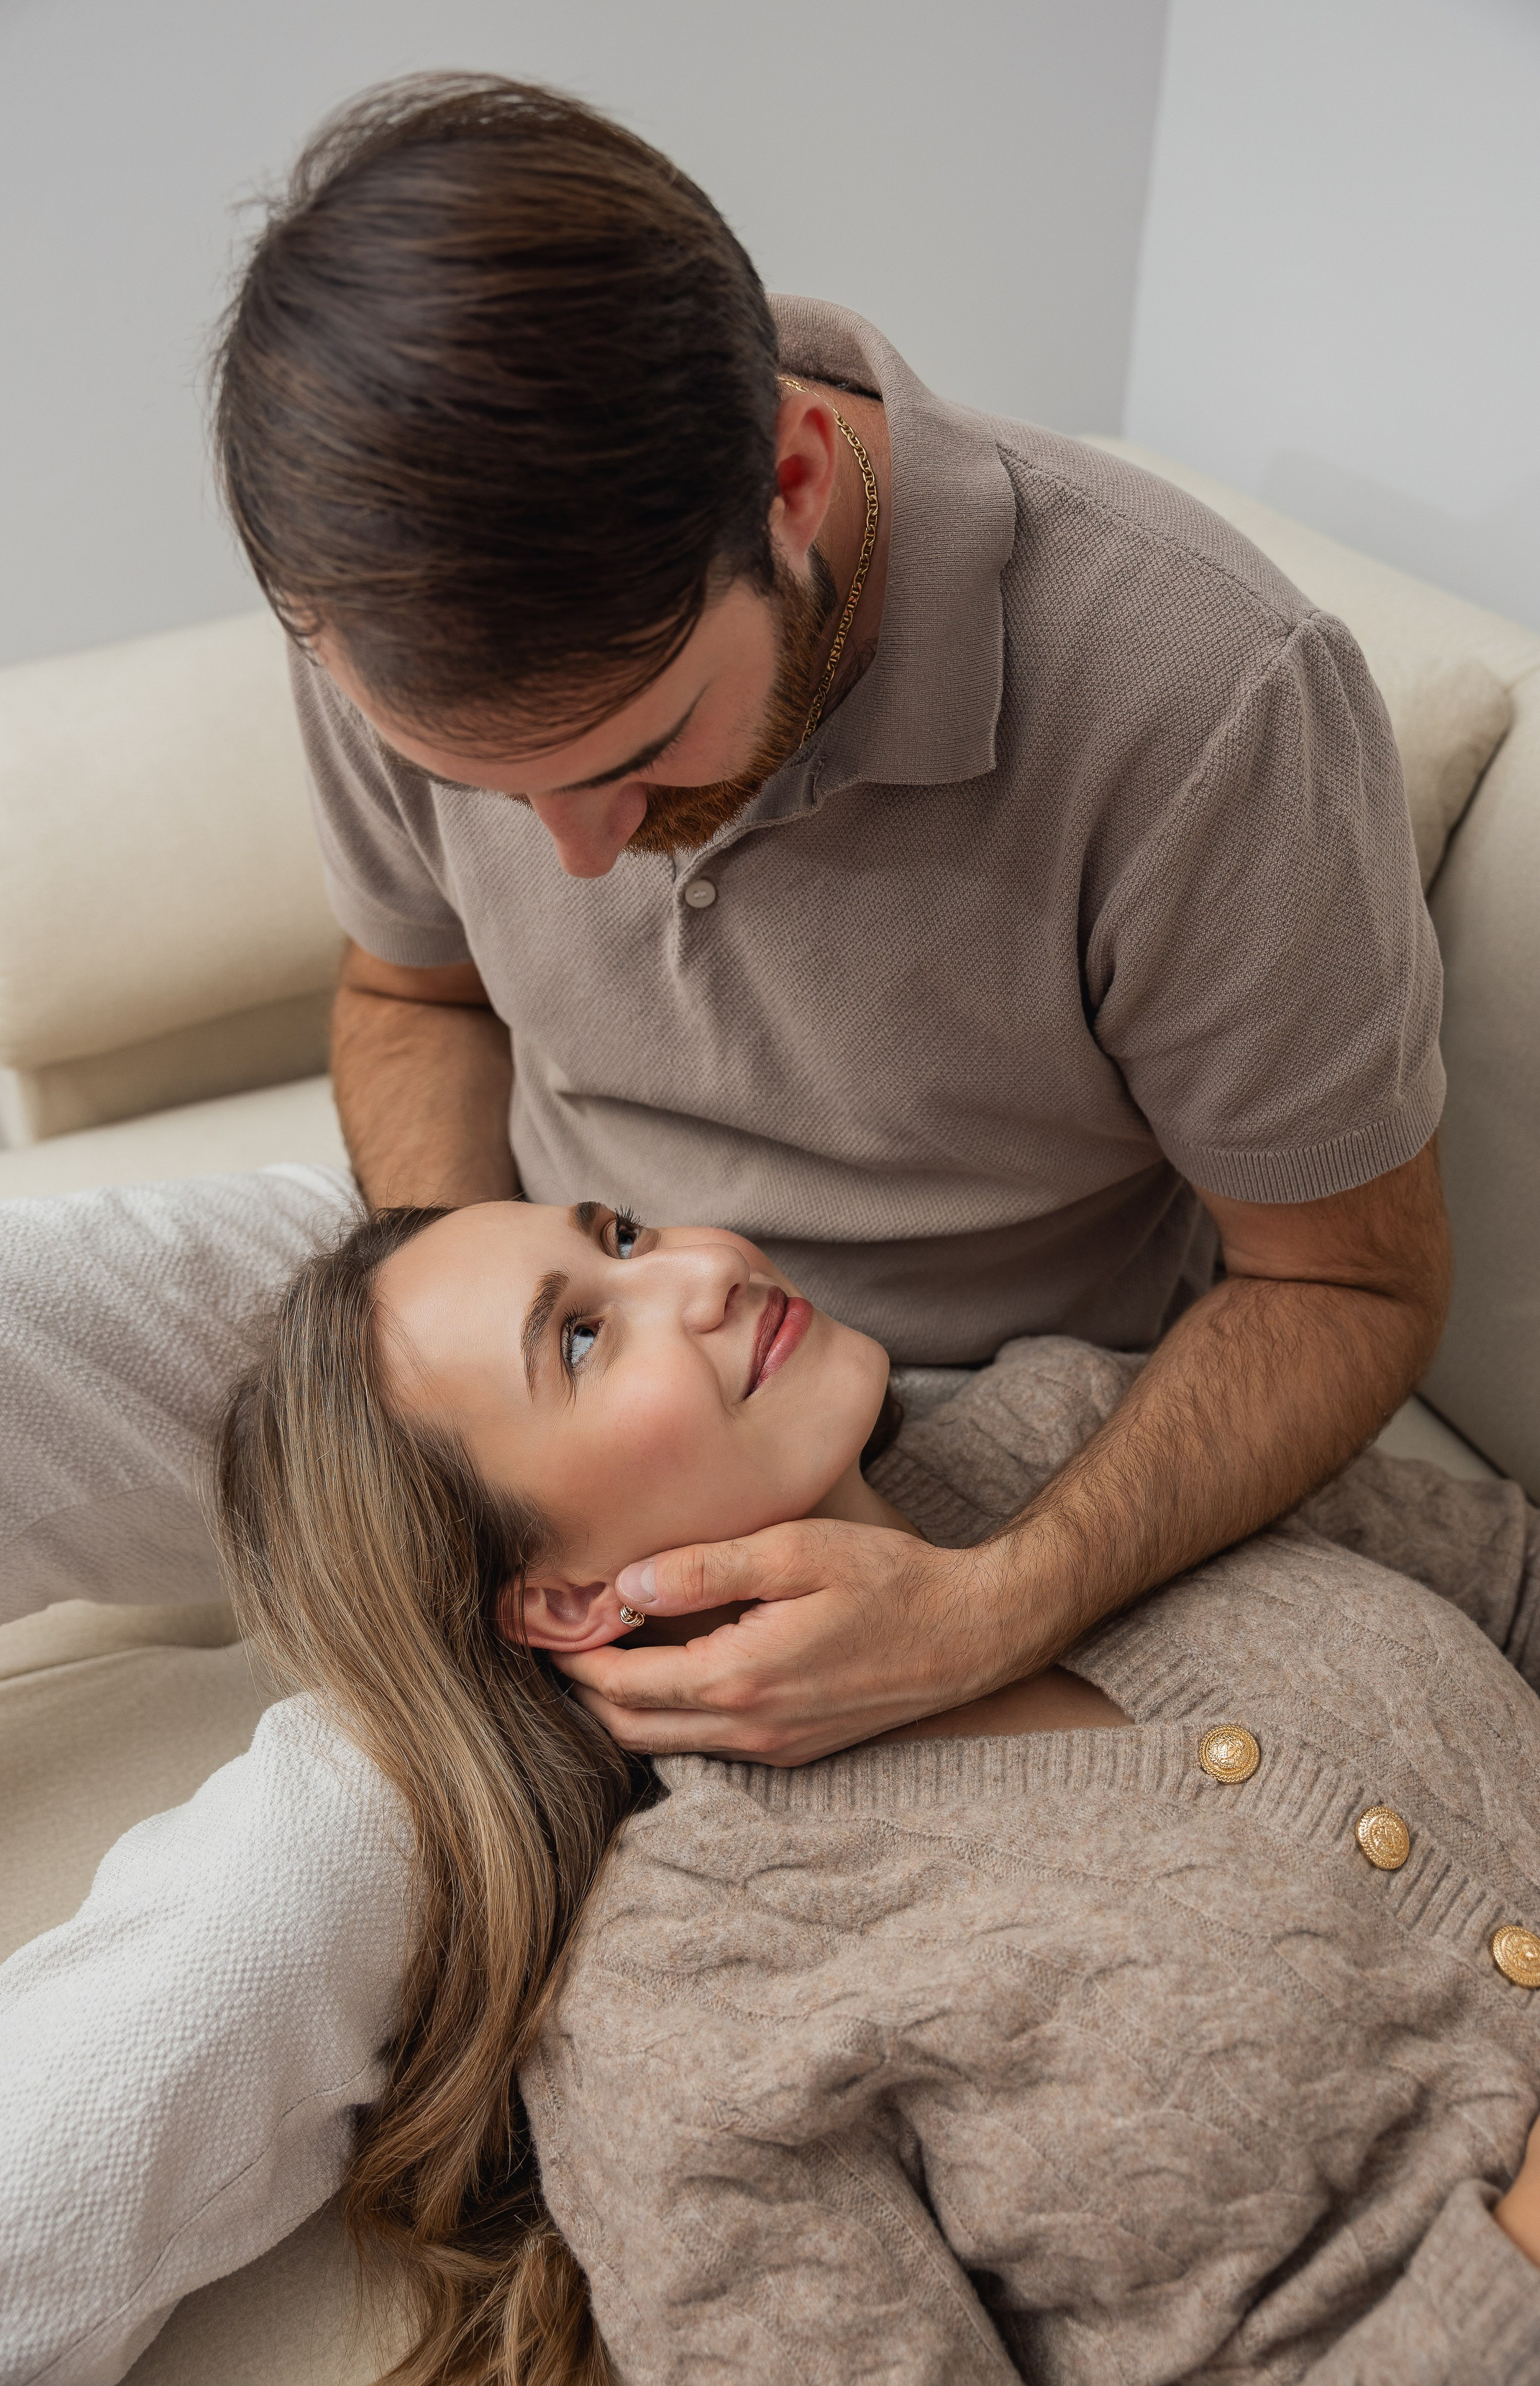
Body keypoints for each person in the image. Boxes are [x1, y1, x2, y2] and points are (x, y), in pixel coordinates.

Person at [209, 72, 1454, 1770]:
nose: (575, 866)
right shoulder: (396, 635)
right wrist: (483, 1401)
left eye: (638, 759)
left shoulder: (1207, 697)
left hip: (984, 1447)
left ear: (793, 483)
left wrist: (989, 1607)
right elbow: (419, 996)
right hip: (532, 1390)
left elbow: (1352, 1283)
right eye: (497, 795)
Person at [203, 1202, 1540, 2379]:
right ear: (555, 1597)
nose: (699, 1270)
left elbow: (1516, 1582)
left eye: (620, 1236)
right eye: (579, 1340)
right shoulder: (685, 1999)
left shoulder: (1086, 1435)